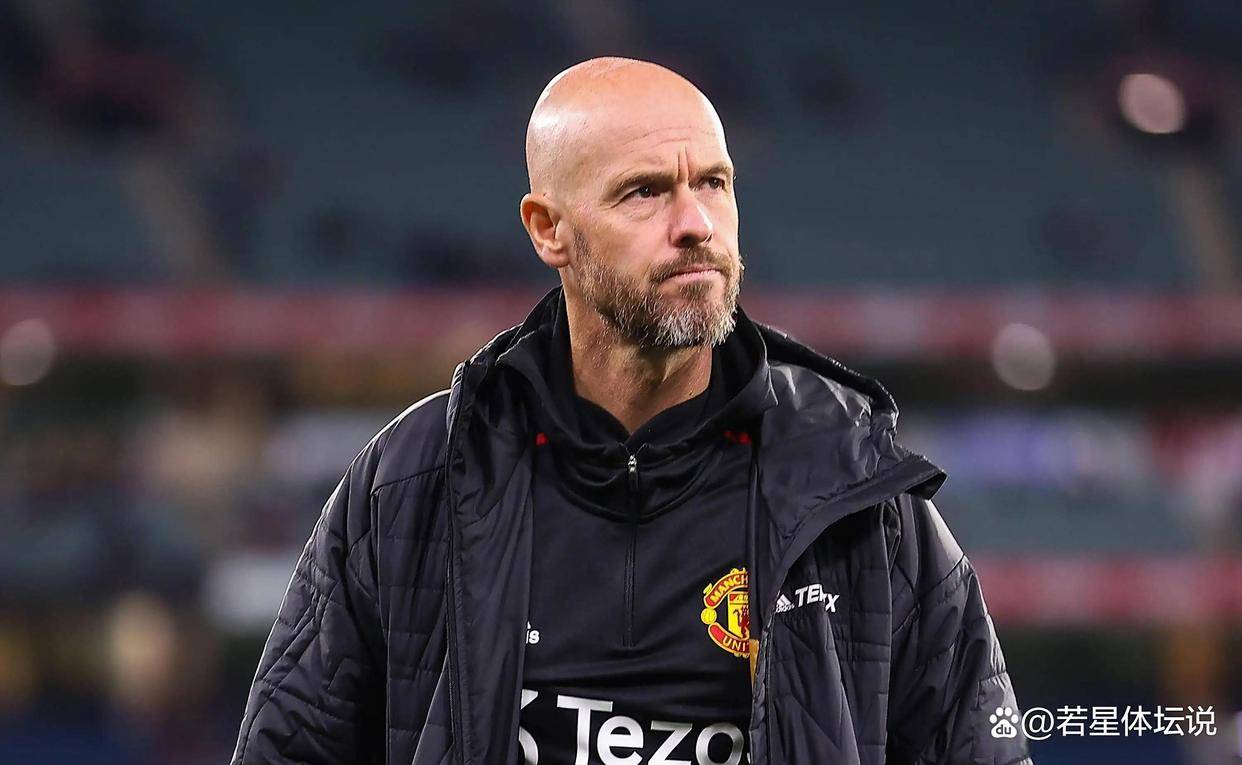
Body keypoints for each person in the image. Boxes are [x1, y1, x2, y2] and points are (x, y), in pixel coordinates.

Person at [232, 57, 1031, 765]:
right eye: (645, 191)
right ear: (549, 229)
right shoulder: (412, 484)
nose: (696, 225)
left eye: (713, 183)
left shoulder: (856, 494)